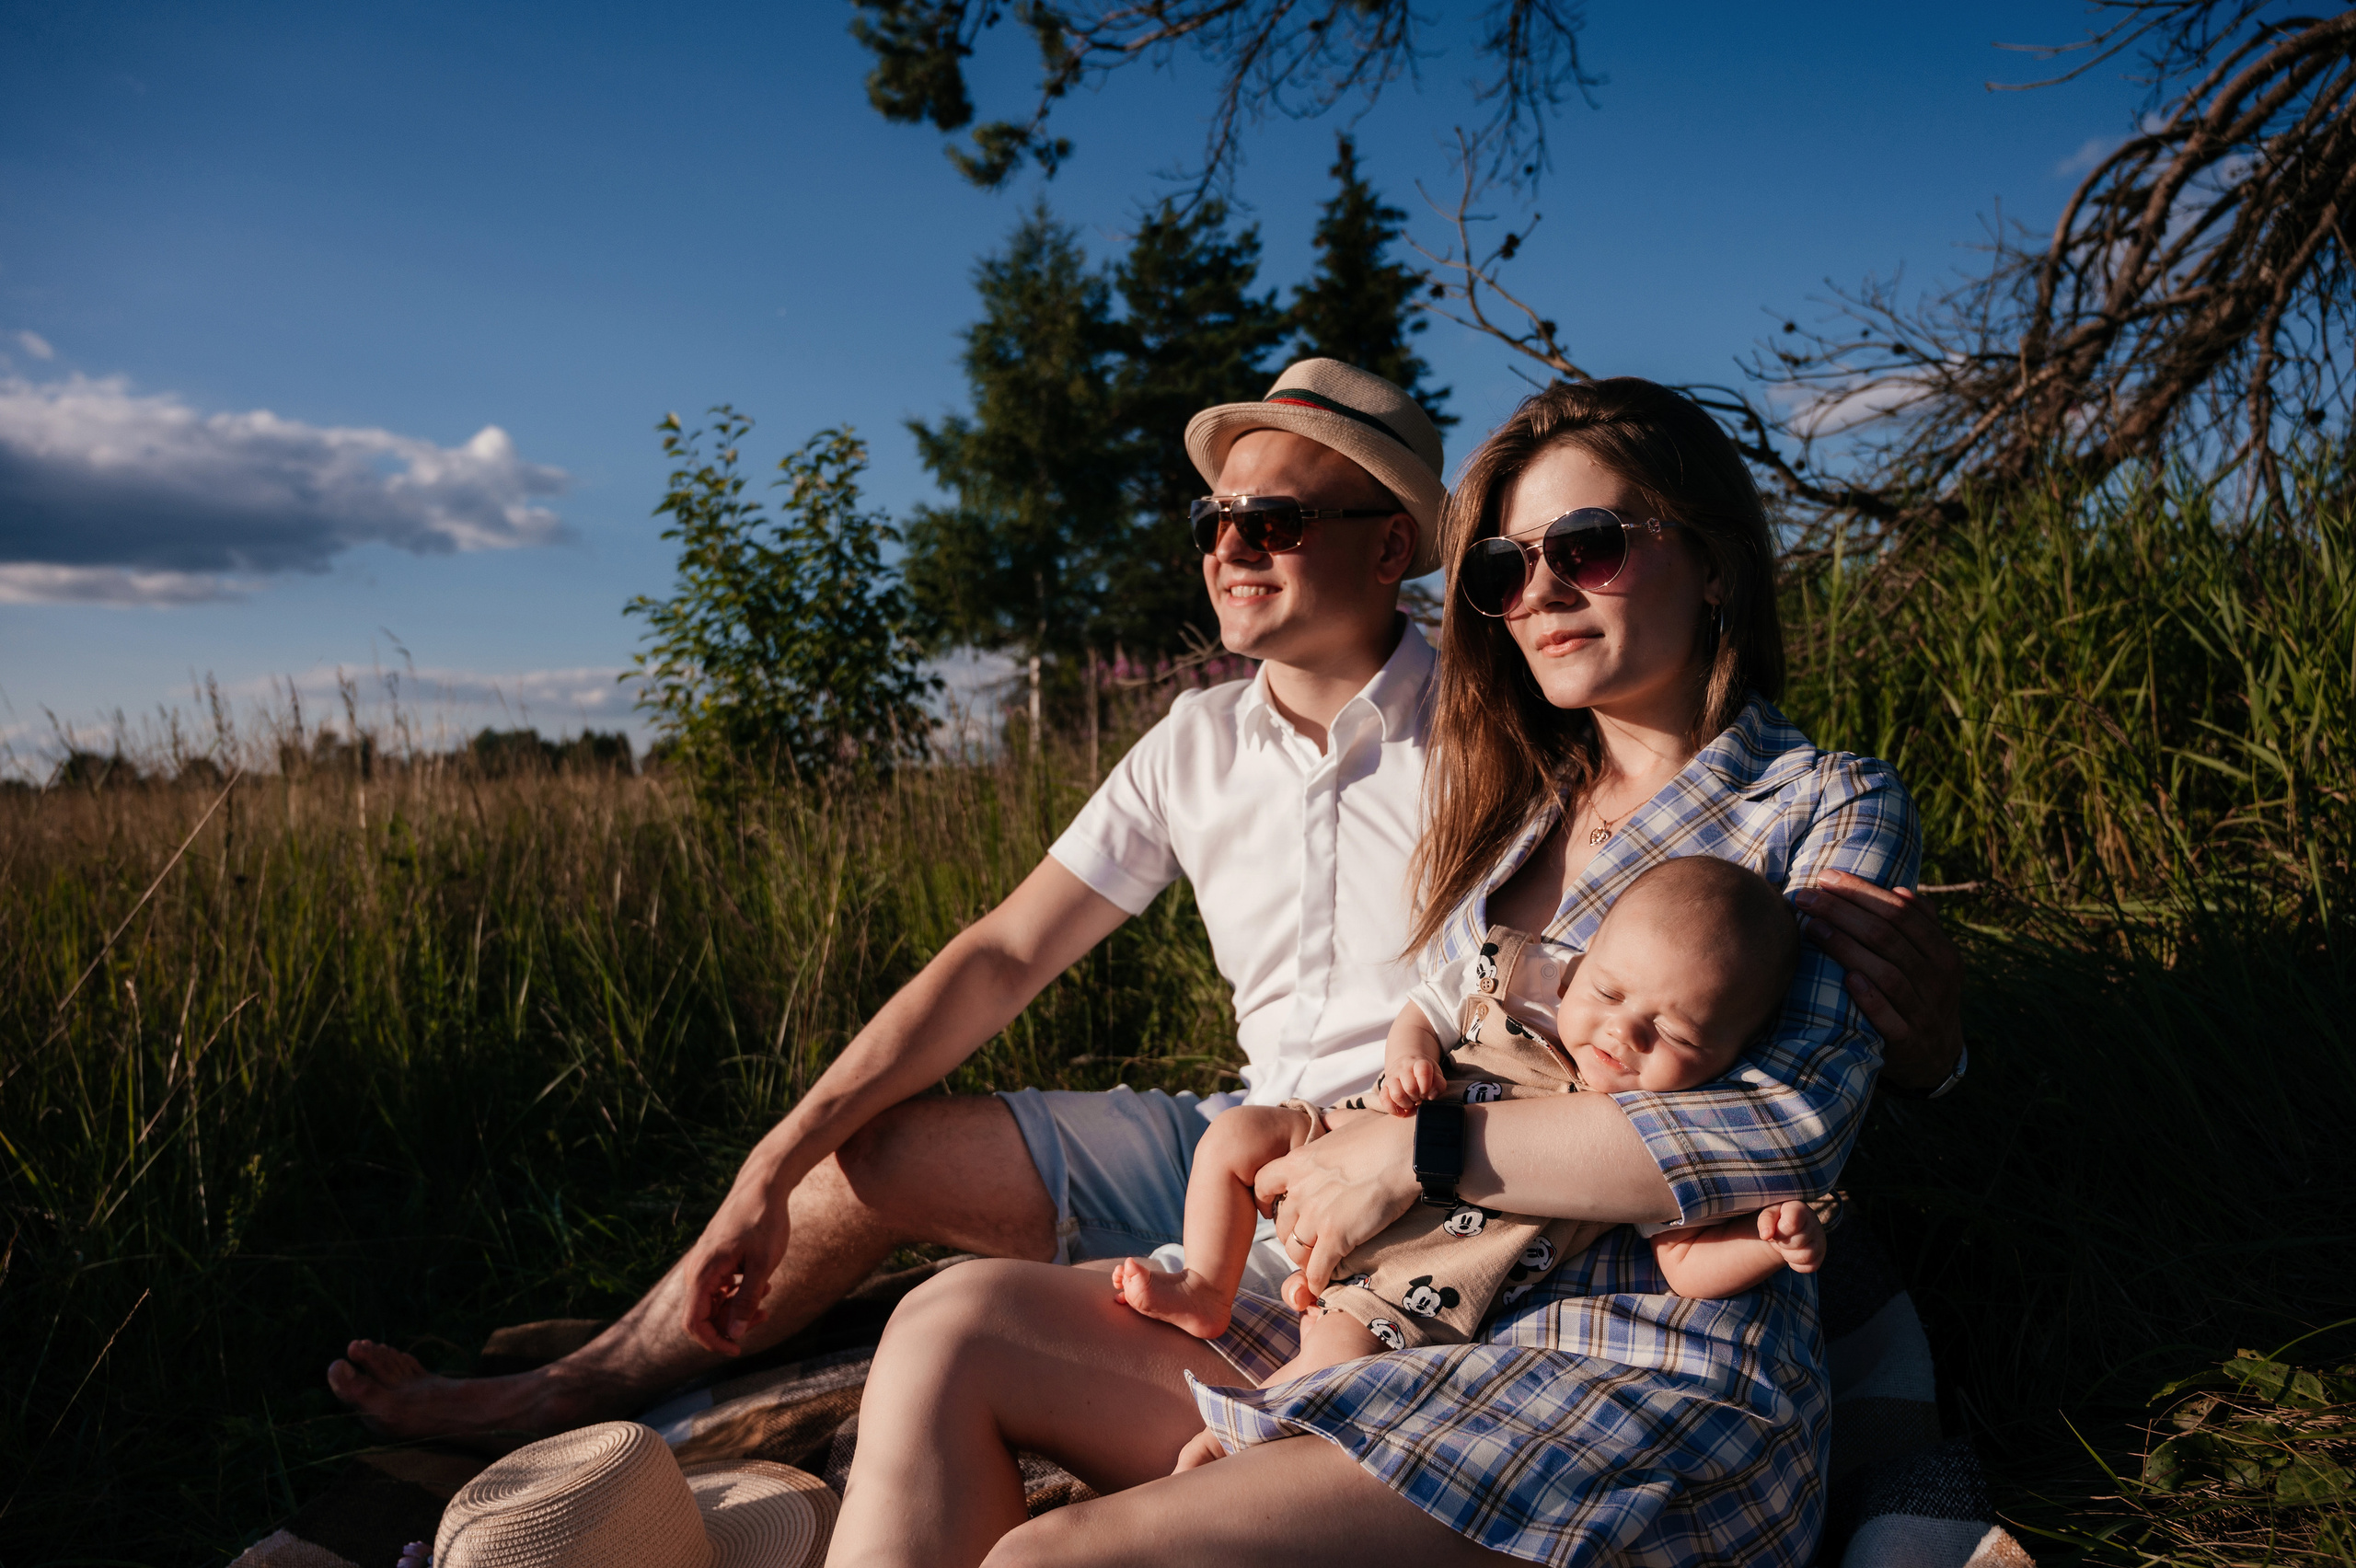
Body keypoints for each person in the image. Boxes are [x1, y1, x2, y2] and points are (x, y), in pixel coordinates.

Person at [328, 361, 1962, 1448]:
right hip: (1239, 1141)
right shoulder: (1195, 738)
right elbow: (999, 952)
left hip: (1440, 1153)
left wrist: (1931, 1037)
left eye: (1275, 518)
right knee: (871, 1150)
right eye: (1213, 521)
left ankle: (679, 1385)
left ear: (1391, 543)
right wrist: (773, 1152)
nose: (1231, 548)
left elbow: (1709, 881)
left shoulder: (1493, 717)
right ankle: (595, 1378)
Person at [825, 377, 1927, 1568]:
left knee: (1055, 1559)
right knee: (953, 1322)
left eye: (1589, 547)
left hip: (1626, 1363)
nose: (1541, 591)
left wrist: (1410, 1152)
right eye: (1506, 569)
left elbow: (1786, 1130)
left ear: (1712, 563)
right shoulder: (1514, 802)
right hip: (1407, 1307)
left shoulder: (1816, 804)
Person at [1110, 857, 1829, 1397]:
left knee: (1338, 1359)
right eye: (1608, 991)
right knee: (1235, 1135)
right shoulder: (1521, 982)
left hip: (1415, 1278)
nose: (1622, 1032)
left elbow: (1684, 1263)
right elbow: (1426, 1007)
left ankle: (1249, 1428)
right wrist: (1409, 1059)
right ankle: (1206, 1286)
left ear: (1726, 1059)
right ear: (1582, 960)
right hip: (1347, 1147)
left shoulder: (1653, 1127)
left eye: (1675, 1034)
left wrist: (1763, 1243)